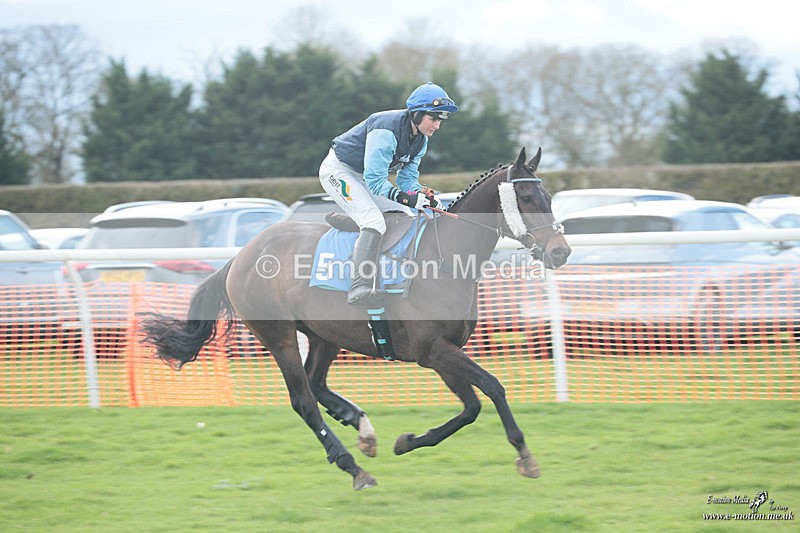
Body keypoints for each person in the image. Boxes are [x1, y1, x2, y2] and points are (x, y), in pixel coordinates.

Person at [319, 82, 459, 304]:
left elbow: (406, 180)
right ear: (416, 114)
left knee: (406, 215)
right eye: (433, 119)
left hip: (364, 176)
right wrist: (407, 197)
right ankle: (359, 286)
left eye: (440, 120)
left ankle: (357, 222)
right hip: (340, 172)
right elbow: (376, 182)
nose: (437, 126)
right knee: (374, 221)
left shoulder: (421, 139)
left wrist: (423, 198)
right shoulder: (386, 129)